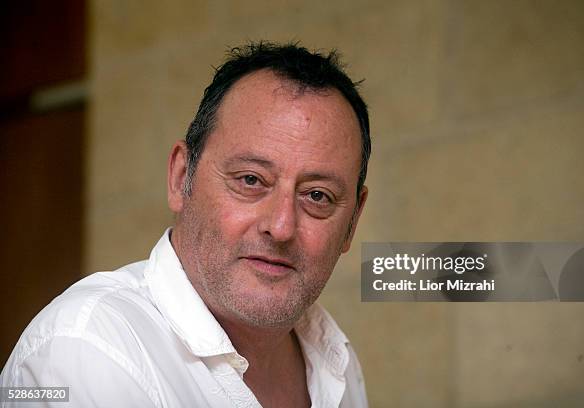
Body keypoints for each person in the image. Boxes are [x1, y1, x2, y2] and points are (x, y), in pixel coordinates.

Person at [1, 42, 370, 407]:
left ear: (352, 222)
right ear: (181, 178)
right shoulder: (87, 350)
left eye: (317, 196)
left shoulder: (335, 362)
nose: (281, 226)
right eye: (251, 180)